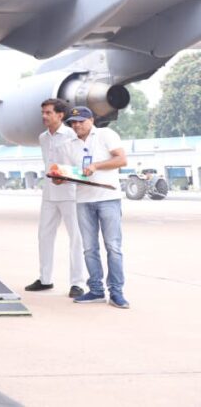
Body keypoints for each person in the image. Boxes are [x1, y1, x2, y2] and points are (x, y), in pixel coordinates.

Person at [58, 106, 129, 308]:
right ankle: (96, 290)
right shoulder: (69, 144)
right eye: (73, 122)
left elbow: (121, 159)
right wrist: (60, 179)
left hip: (108, 198)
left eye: (81, 120)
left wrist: (96, 165)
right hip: (83, 200)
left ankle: (116, 293)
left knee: (113, 247)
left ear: (91, 119)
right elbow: (71, 173)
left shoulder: (106, 134)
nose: (76, 125)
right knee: (89, 248)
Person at [25, 98, 86, 298]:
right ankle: (45, 279)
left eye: (48, 112)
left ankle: (77, 283)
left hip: (70, 193)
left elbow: (81, 166)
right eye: (43, 112)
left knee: (76, 238)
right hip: (49, 194)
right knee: (44, 235)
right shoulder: (43, 137)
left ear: (60, 115)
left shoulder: (72, 135)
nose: (44, 116)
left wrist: (64, 176)